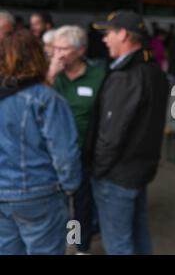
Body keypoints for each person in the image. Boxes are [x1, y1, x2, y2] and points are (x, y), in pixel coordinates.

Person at [86, 10, 169, 255]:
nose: (104, 39)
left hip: (116, 176)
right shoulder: (154, 71)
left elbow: (111, 136)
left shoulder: (125, 77)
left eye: (108, 33)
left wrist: (98, 170)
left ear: (123, 35)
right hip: (139, 172)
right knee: (139, 236)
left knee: (119, 245)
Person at [0, 30, 81, 255]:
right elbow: (65, 152)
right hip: (40, 193)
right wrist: (70, 186)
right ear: (38, 57)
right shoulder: (48, 99)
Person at [49, 25, 106, 254]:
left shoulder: (98, 77)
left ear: (81, 50)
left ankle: (81, 246)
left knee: (82, 203)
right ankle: (66, 241)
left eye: (64, 48)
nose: (58, 54)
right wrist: (51, 73)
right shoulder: (51, 75)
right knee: (59, 204)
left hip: (84, 152)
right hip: (53, 154)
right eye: (54, 48)